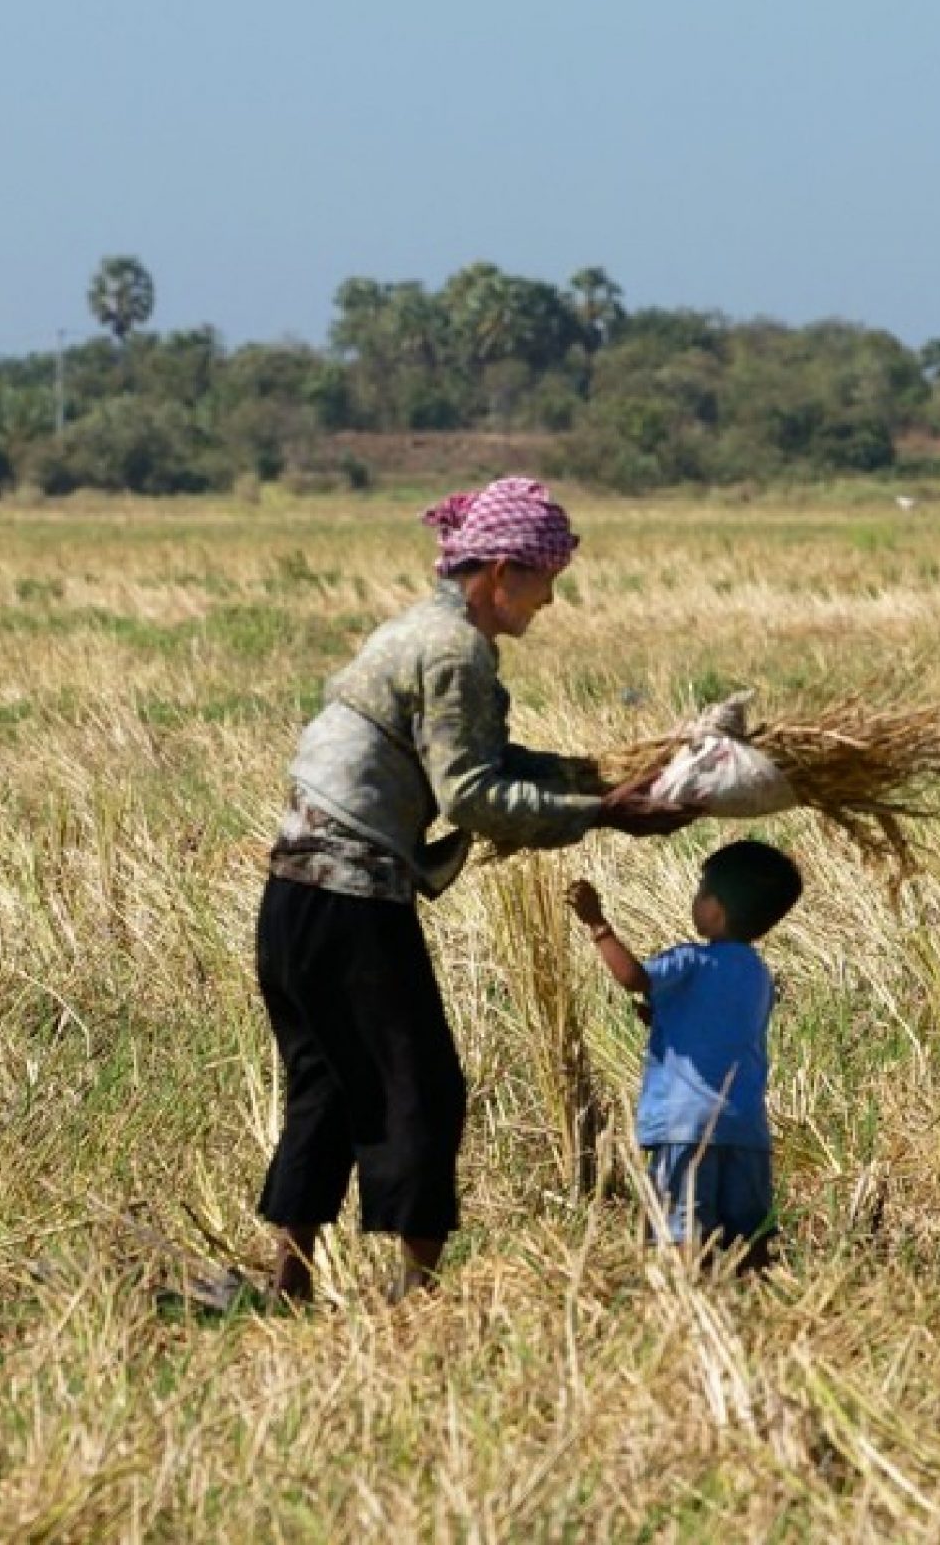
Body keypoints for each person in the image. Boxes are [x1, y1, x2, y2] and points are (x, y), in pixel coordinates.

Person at [255, 476, 697, 1303]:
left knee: (328, 1083)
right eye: (545, 579)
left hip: (296, 898)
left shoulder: (418, 631)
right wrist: (603, 812)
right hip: (351, 894)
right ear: (500, 573)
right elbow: (470, 794)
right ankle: (416, 1294)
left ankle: (289, 1283)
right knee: (421, 1084)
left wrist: (592, 776)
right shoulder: (456, 651)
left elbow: (484, 759)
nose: (549, 600)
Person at [565, 840, 804, 1272]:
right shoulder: (759, 975)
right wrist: (664, 1022)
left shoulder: (690, 960)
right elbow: (720, 1032)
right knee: (750, 1238)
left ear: (717, 910)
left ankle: (688, 1300)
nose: (696, 899)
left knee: (682, 1234)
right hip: (745, 1128)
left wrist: (597, 924)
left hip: (687, 1127)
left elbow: (633, 978)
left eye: (701, 892)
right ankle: (756, 1301)